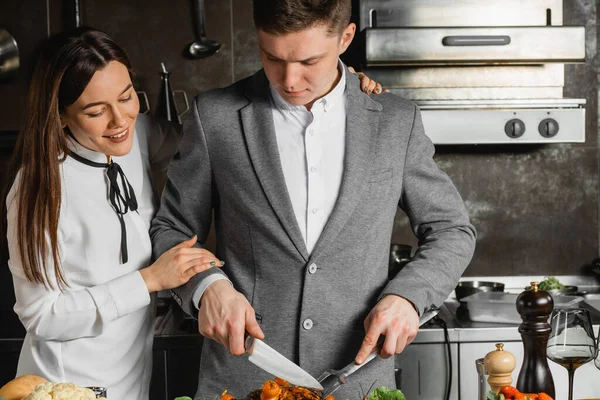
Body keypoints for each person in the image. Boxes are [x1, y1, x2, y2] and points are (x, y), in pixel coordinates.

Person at [151, 0, 476, 397]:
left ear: (345, 38)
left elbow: (452, 230)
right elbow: (172, 229)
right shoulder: (214, 116)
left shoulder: (395, 121)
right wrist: (206, 288)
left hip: (357, 381)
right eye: (272, 57)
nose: (289, 79)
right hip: (241, 381)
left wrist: (408, 297)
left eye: (309, 61)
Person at [1, 27, 223, 399]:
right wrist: (149, 280)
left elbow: (210, 140)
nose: (120, 120)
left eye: (126, 97)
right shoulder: (38, 189)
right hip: (66, 385)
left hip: (130, 380)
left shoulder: (135, 135)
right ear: (60, 114)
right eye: (95, 111)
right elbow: (40, 315)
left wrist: (342, 85)